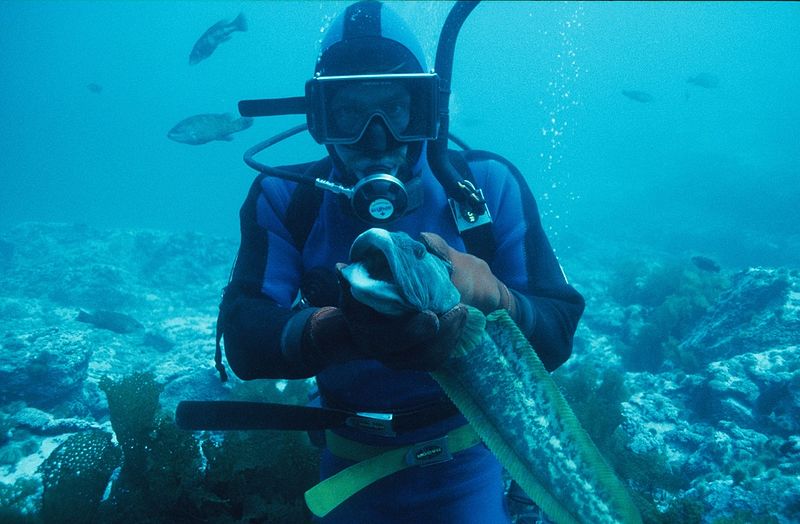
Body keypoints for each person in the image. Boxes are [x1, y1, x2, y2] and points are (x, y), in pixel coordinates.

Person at [217, 1, 585, 522]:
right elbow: (244, 339)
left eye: (396, 108)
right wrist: (335, 331)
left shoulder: (486, 187)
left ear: (428, 108)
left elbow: (558, 329)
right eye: (348, 113)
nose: (375, 139)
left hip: (469, 459)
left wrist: (495, 296)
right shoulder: (282, 197)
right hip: (347, 458)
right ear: (318, 119)